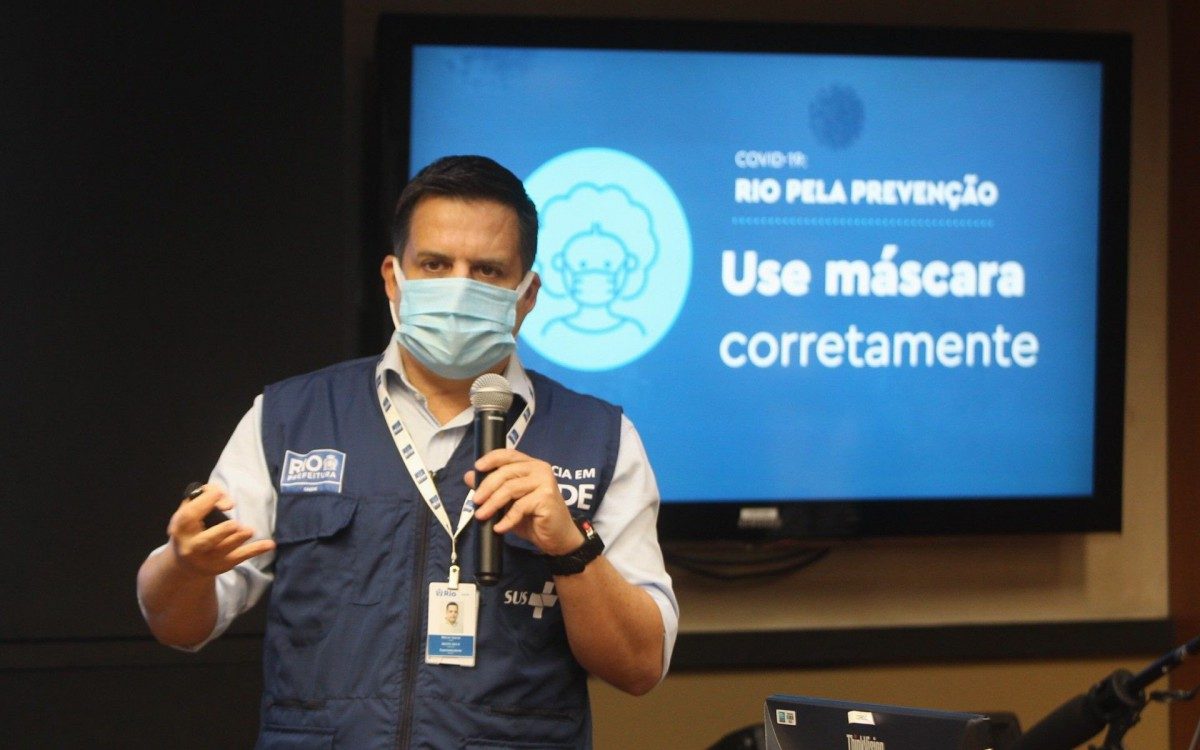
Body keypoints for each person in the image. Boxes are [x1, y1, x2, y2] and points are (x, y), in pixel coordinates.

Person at [136, 155, 678, 749]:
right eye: (435, 265)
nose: (458, 288)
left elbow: (640, 668)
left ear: (527, 295)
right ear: (394, 279)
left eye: (488, 271)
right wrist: (185, 567)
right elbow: (177, 624)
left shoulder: (599, 436)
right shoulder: (291, 417)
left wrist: (571, 550)